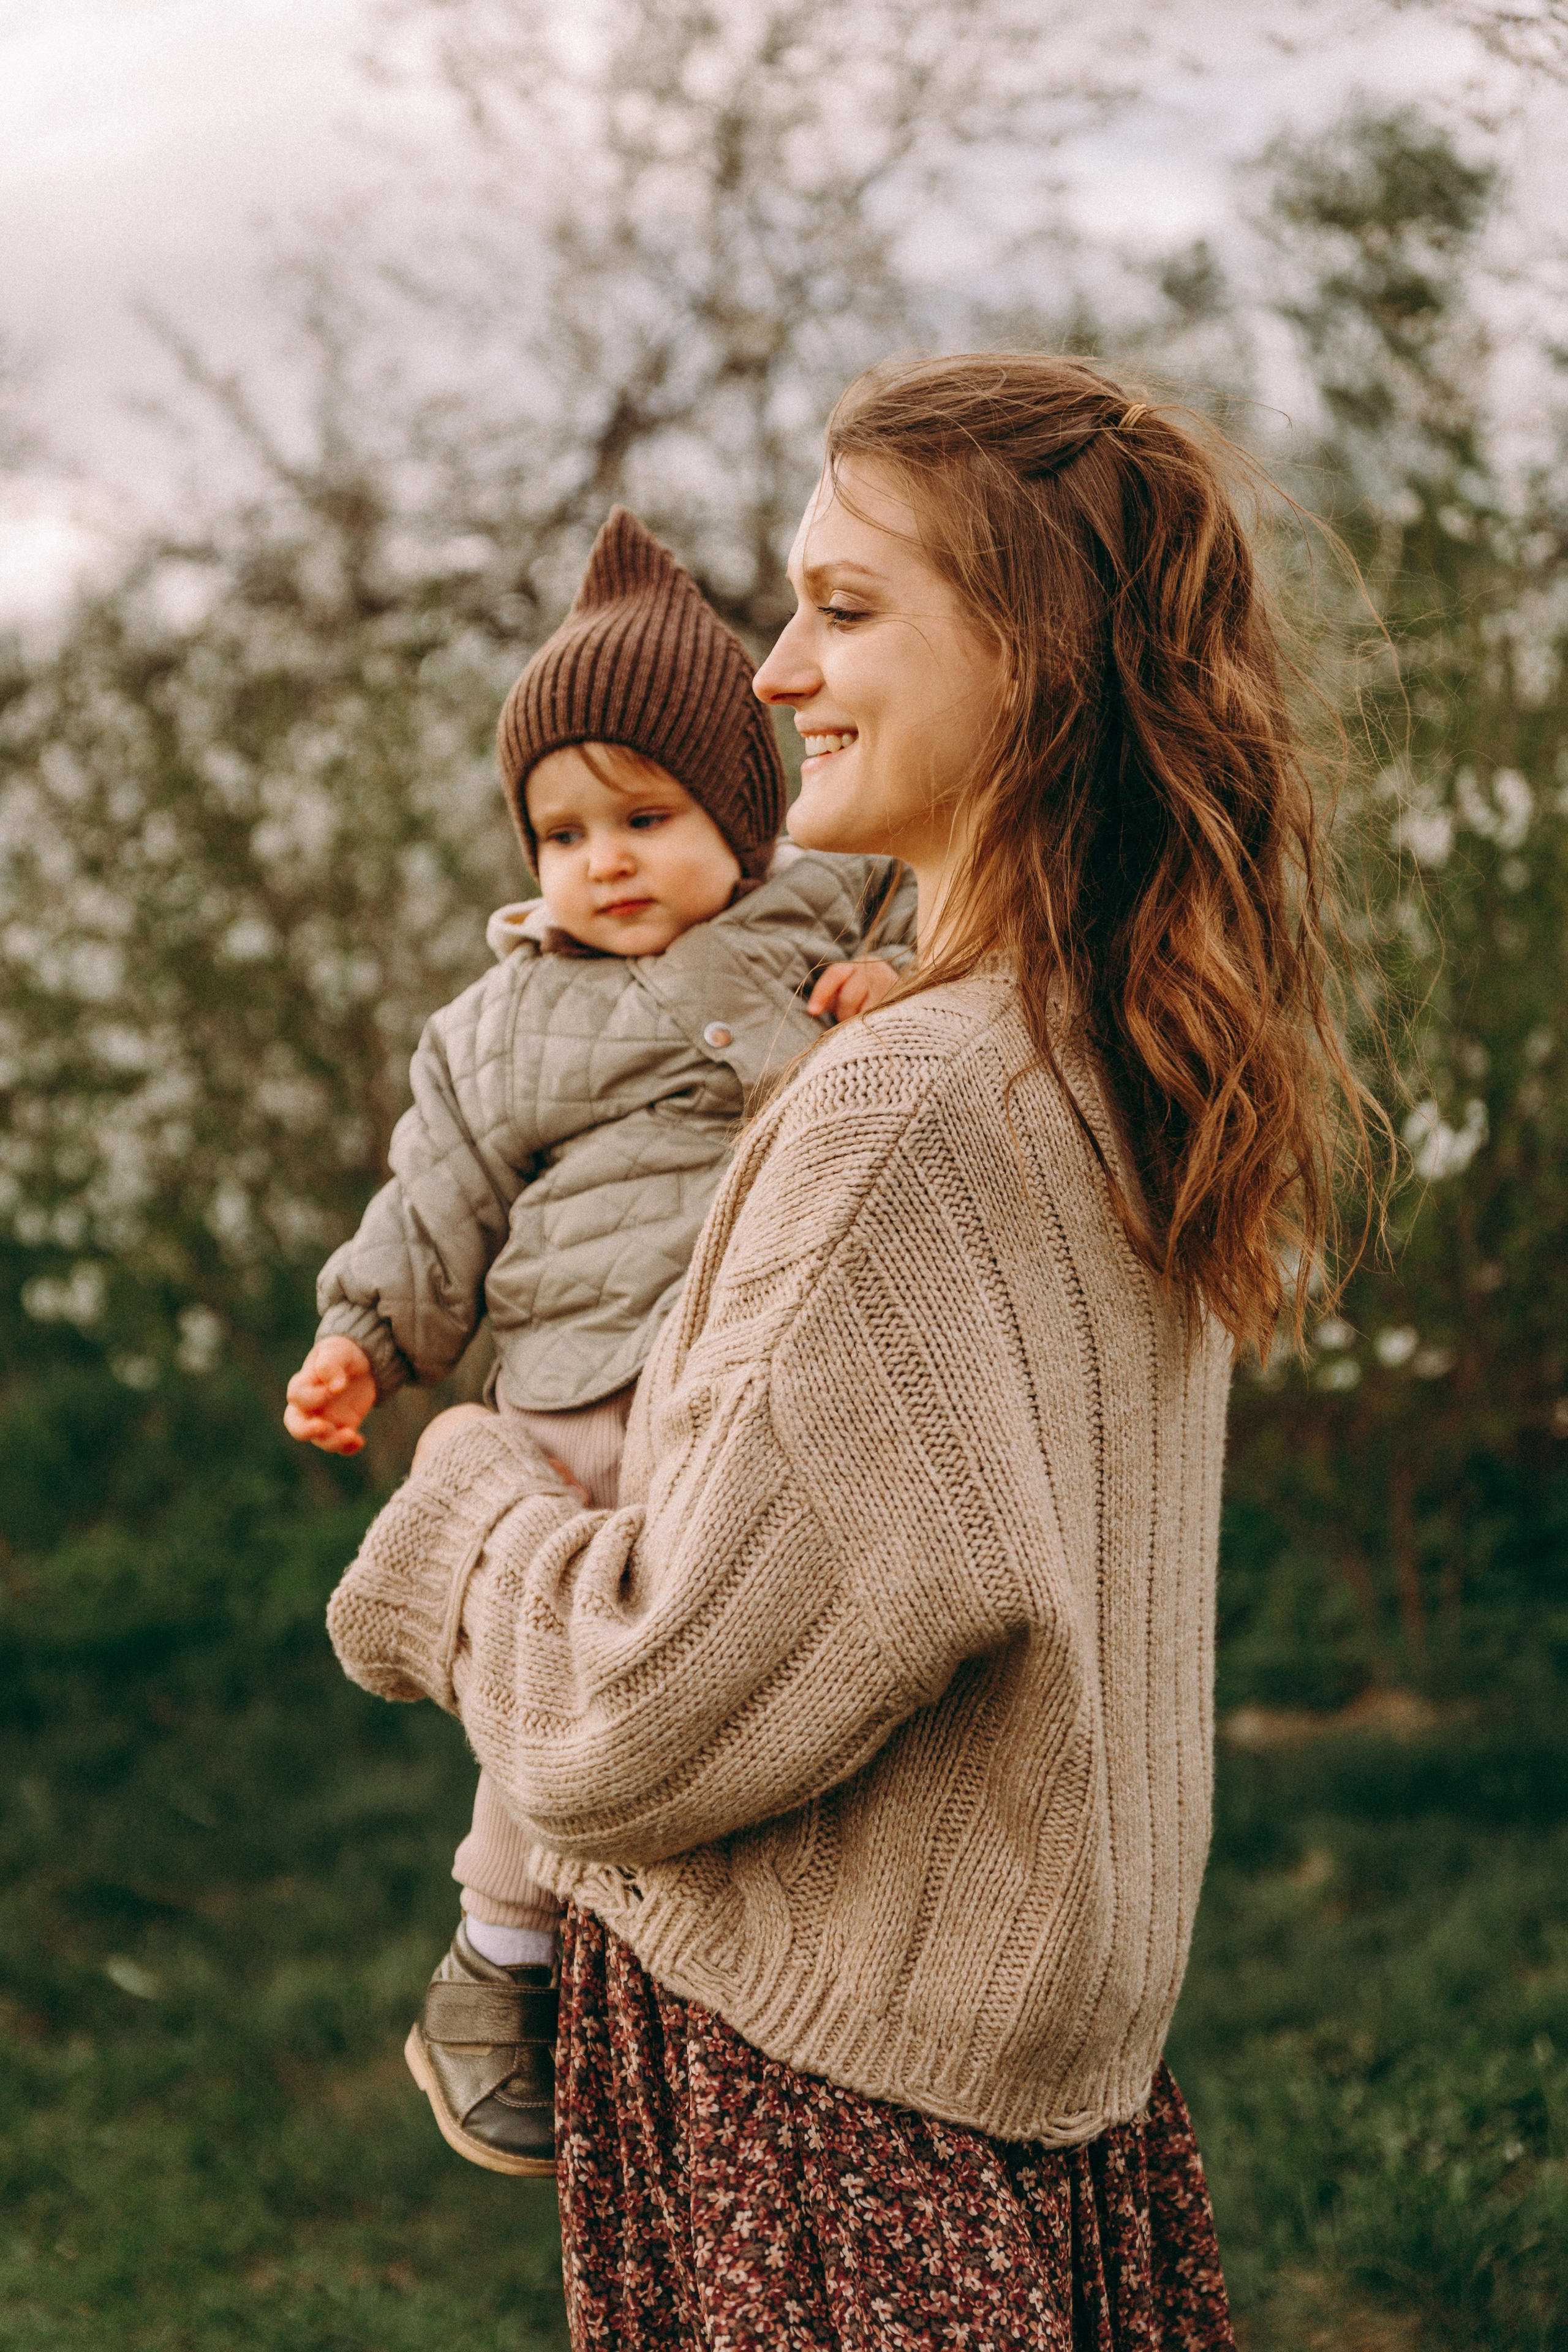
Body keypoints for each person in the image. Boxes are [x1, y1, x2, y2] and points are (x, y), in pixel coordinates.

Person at [325, 353, 1370, 2348]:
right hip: (1048, 2103)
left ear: (1037, 656)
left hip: (830, 2127)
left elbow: (636, 1721)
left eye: (845, 607)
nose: (776, 672)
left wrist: (460, 1498)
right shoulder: (1110, 1051)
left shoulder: (903, 1110)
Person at [284, 506, 912, 2175]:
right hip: (573, 1391)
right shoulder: (497, 1030)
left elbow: (967, 939)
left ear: (748, 818)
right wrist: (363, 1337)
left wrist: (893, 978)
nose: (604, 861)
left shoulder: (818, 912)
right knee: (564, 1685)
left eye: (646, 816)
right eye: (561, 834)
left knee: (757, 1617)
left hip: (751, 1361)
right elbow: (436, 1207)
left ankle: (779, 1866)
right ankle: (500, 1950)